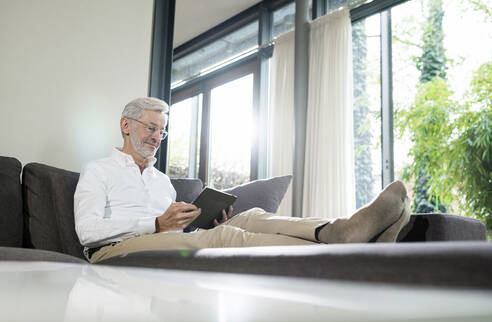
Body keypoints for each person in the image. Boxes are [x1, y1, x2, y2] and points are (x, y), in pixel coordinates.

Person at [74, 97, 411, 263]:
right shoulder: (99, 170)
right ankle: (345, 255)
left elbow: (175, 238)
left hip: (162, 246)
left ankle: (337, 231)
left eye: (162, 131)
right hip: (110, 253)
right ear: (126, 125)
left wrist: (201, 221)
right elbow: (87, 232)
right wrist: (156, 222)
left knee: (249, 217)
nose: (157, 136)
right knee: (227, 237)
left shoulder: (163, 182)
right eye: (151, 128)